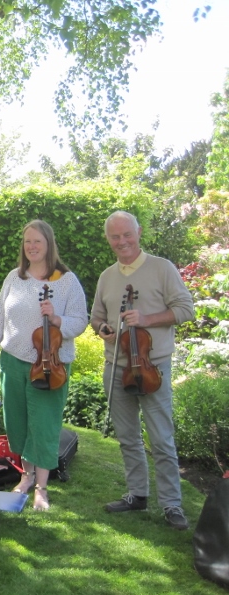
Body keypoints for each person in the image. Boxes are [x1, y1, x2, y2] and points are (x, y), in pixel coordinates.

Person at [0, 220, 87, 511]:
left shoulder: (66, 280)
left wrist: (57, 319)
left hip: (50, 365)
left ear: (49, 244)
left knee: (44, 425)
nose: (32, 247)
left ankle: (42, 488)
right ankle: (26, 476)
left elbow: (81, 321)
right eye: (27, 242)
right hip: (13, 361)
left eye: (37, 242)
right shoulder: (14, 277)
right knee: (17, 423)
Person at [91, 211, 195, 530]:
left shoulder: (162, 268)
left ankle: (171, 504)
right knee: (127, 438)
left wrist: (146, 320)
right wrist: (104, 329)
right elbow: (96, 317)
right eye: (115, 237)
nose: (122, 242)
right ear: (108, 239)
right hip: (116, 367)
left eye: (127, 235)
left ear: (138, 233)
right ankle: (137, 495)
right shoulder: (108, 276)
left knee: (161, 438)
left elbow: (186, 309)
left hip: (152, 368)